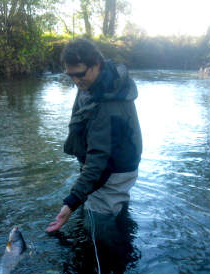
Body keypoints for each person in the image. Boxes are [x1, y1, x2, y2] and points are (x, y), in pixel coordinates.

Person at [46, 38, 142, 233]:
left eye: (79, 74)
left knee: (99, 226)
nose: (75, 81)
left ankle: (115, 259)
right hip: (110, 164)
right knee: (114, 212)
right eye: (70, 75)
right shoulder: (94, 81)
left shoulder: (107, 104)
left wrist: (70, 204)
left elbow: (100, 161)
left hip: (112, 171)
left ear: (96, 64)